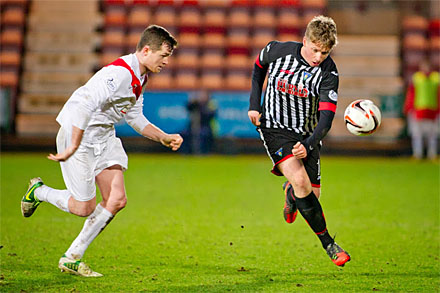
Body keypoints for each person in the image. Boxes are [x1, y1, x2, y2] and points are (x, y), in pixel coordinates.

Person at [21, 25, 183, 277]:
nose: (166, 62)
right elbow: (85, 105)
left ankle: (71, 257)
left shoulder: (141, 77)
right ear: (147, 50)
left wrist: (162, 137)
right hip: (80, 136)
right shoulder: (119, 74)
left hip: (104, 136)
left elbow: (135, 117)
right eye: (164, 55)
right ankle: (39, 191)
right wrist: (72, 145)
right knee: (82, 208)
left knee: (116, 199)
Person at [248, 15, 350, 266]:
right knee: (302, 182)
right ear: (305, 41)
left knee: (311, 193)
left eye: (324, 52)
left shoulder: (329, 73)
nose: (318, 57)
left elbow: (326, 119)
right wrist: (254, 105)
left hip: (307, 134)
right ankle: (330, 245)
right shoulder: (278, 50)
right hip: (274, 128)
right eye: (315, 50)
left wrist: (309, 143)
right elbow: (258, 68)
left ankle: (290, 193)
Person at [404, 58, 439, 160]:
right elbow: (411, 93)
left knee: (433, 134)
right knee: (417, 134)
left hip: (433, 109)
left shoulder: (436, 79)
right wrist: (409, 107)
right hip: (419, 109)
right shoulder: (416, 78)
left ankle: (432, 154)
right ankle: (417, 154)